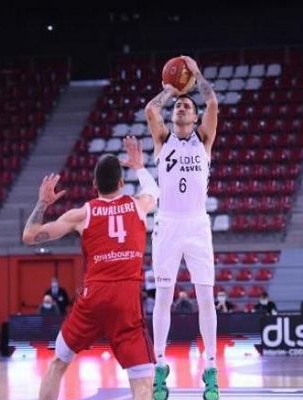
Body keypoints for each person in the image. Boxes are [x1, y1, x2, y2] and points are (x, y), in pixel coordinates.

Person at [22, 136, 159, 400]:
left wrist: (43, 203)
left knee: (58, 364)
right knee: (143, 382)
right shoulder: (138, 205)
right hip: (126, 300)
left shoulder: (83, 214)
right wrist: (139, 167)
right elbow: (155, 191)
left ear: (94, 185)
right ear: (121, 183)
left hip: (93, 299)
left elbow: (29, 236)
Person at [145, 55, 220, 400]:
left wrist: (197, 76)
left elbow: (213, 103)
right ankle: (160, 366)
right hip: (168, 225)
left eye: (187, 106)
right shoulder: (163, 140)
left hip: (197, 225)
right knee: (162, 298)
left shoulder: (204, 140)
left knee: (206, 298)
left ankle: (211, 368)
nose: (181, 107)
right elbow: (150, 110)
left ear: (194, 116)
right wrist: (170, 91)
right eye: (178, 106)